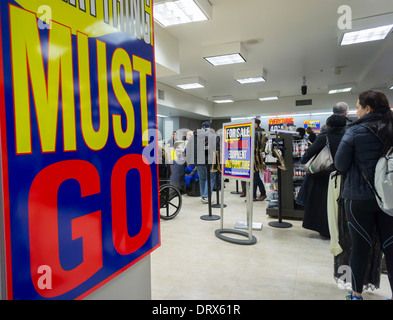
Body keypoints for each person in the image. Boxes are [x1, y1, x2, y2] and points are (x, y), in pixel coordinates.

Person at [335, 90, 393, 300]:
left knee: (360, 248)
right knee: (390, 246)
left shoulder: (355, 131)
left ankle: (356, 294)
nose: (356, 111)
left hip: (359, 197)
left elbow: (340, 165)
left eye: (358, 107)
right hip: (389, 197)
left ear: (368, 108)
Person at [300, 114, 347, 237]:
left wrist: (303, 160)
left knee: (322, 204)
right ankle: (337, 229)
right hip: (342, 175)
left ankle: (324, 229)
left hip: (323, 175)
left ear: (328, 125)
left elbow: (309, 153)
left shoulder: (324, 137)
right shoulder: (348, 136)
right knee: (339, 204)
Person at [184, 121, 217, 203]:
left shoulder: (193, 136)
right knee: (210, 178)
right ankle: (206, 196)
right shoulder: (212, 136)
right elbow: (216, 149)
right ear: (209, 128)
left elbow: (188, 148)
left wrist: (188, 160)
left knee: (202, 178)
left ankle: (203, 196)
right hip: (210, 161)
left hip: (199, 161)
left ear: (202, 128)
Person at [240, 119, 267, 201]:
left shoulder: (260, 132)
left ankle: (262, 194)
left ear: (256, 124)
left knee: (255, 177)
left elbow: (260, 145)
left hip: (256, 157)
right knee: (253, 177)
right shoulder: (251, 131)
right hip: (251, 156)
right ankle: (254, 196)